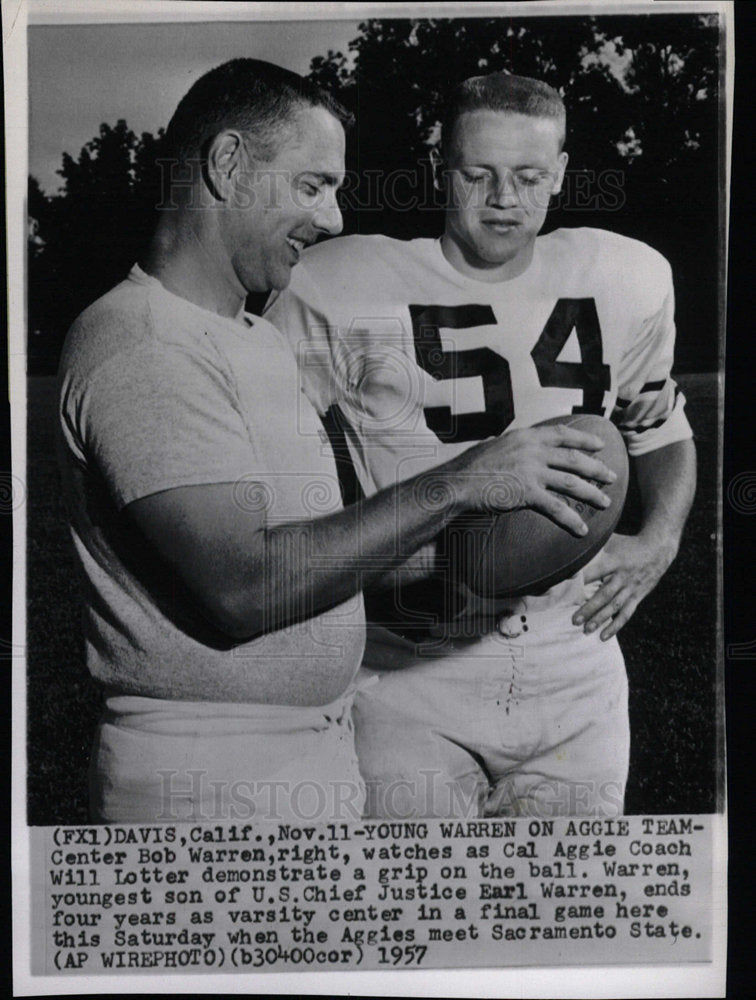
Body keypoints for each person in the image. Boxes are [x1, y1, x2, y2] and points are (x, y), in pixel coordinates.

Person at [57, 61, 616, 824]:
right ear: (228, 166)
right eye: (313, 185)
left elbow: (320, 554)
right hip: (206, 774)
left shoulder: (251, 335)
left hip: (308, 753)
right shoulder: (142, 342)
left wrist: (503, 545)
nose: (333, 220)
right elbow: (245, 588)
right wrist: (457, 483)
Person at [265, 72, 697, 819]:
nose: (505, 198)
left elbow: (661, 428)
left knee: (569, 919)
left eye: (530, 176)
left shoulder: (625, 274)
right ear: (440, 166)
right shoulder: (337, 285)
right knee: (420, 919)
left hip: (575, 660)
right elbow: (261, 455)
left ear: (562, 171)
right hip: (410, 667)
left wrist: (660, 538)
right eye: (479, 173)